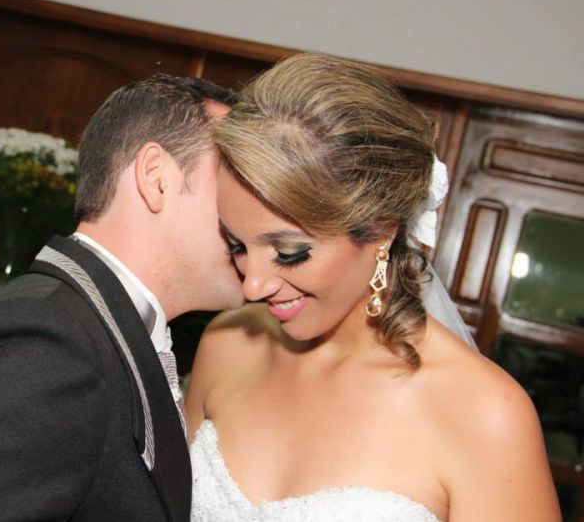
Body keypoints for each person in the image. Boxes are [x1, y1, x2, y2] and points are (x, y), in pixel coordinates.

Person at [186, 53, 560, 521]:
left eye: (289, 252)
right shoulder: (226, 343)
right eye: (237, 244)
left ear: (381, 229)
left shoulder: (484, 412)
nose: (254, 285)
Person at [0, 74, 244, 521]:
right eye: (233, 178)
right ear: (156, 178)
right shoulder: (44, 346)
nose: (254, 209)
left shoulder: (97, 327)